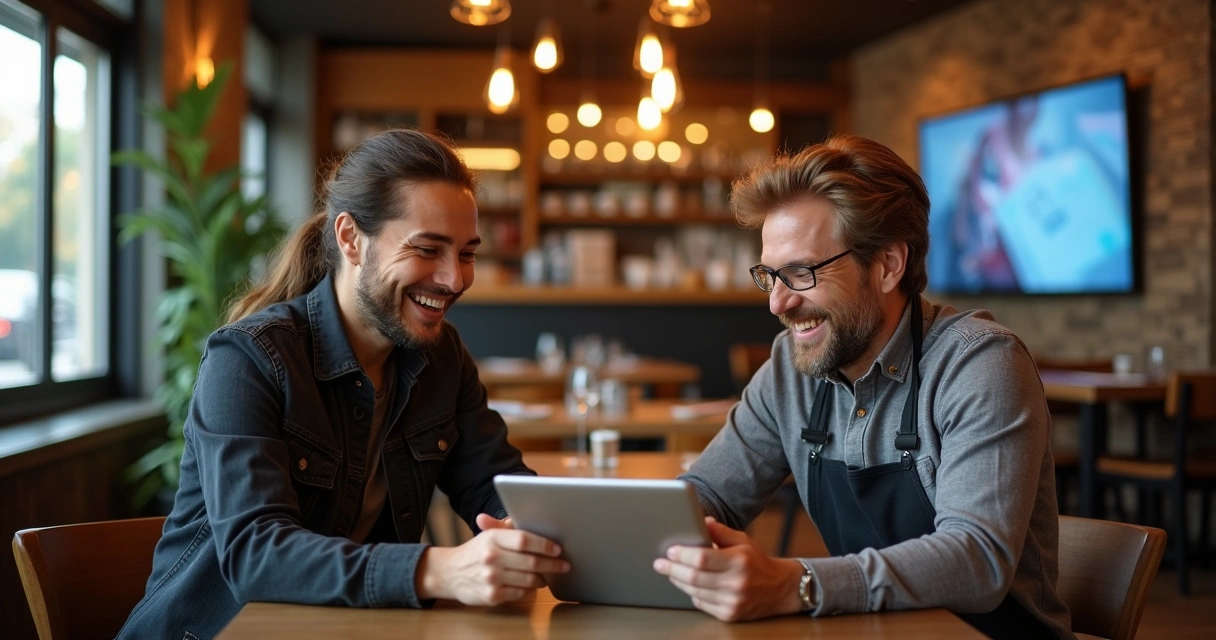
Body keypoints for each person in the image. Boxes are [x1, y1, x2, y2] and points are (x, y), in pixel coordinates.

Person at [118, 129, 567, 639]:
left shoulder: (442, 358)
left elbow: (496, 481)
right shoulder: (247, 358)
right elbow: (255, 554)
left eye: (467, 254)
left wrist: (522, 527)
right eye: (427, 249)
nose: (454, 279)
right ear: (351, 238)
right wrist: (438, 569)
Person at [656, 135, 1074, 639]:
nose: (777, 303)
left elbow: (977, 559)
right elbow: (706, 496)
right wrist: (602, 546)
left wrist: (798, 584)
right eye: (770, 275)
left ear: (888, 265)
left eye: (802, 273)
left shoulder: (979, 363)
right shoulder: (790, 369)